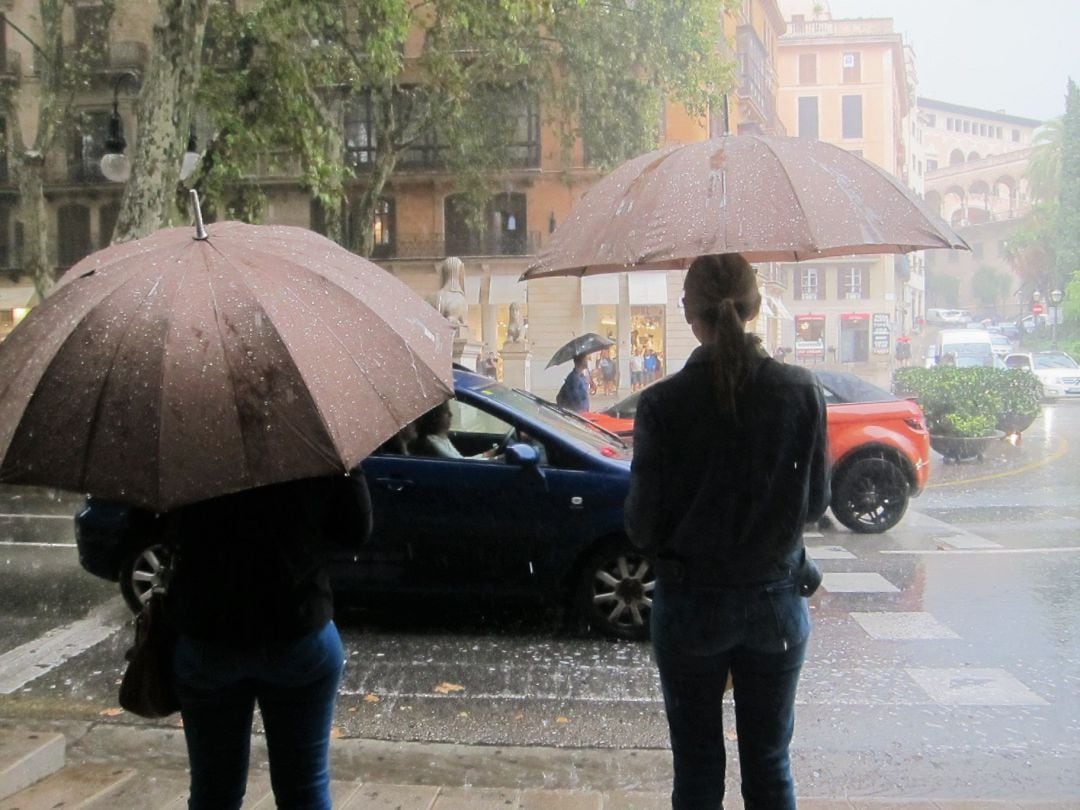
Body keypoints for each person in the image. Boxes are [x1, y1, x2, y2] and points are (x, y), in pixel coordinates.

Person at [625, 253, 829, 809]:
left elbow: (642, 526)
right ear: (757, 307)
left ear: (690, 313)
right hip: (776, 606)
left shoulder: (662, 404)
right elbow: (815, 503)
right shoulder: (801, 391)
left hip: (690, 607)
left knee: (696, 771)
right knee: (769, 765)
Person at [164, 472, 372, 810]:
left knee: (213, 791)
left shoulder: (186, 444)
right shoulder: (312, 441)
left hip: (209, 633)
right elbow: (355, 530)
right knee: (305, 789)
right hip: (298, 626)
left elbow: (142, 530)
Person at [410, 400, 497, 459]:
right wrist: (486, 455)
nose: (451, 415)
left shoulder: (442, 437)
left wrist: (484, 455)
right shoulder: (431, 441)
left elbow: (461, 460)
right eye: (446, 412)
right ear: (435, 417)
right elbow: (459, 463)